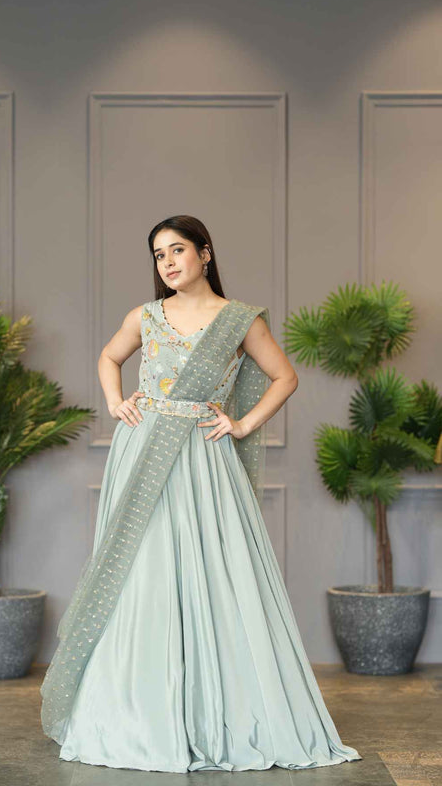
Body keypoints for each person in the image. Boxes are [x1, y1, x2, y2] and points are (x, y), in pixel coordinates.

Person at [40, 215, 362, 773]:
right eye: (158, 255)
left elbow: (285, 377)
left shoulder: (239, 319)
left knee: (211, 571)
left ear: (205, 253)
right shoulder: (144, 316)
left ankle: (213, 710)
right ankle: (138, 713)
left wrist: (242, 423)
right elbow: (109, 357)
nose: (167, 262)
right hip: (142, 452)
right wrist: (116, 401)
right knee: (144, 574)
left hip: (203, 457)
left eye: (177, 250)